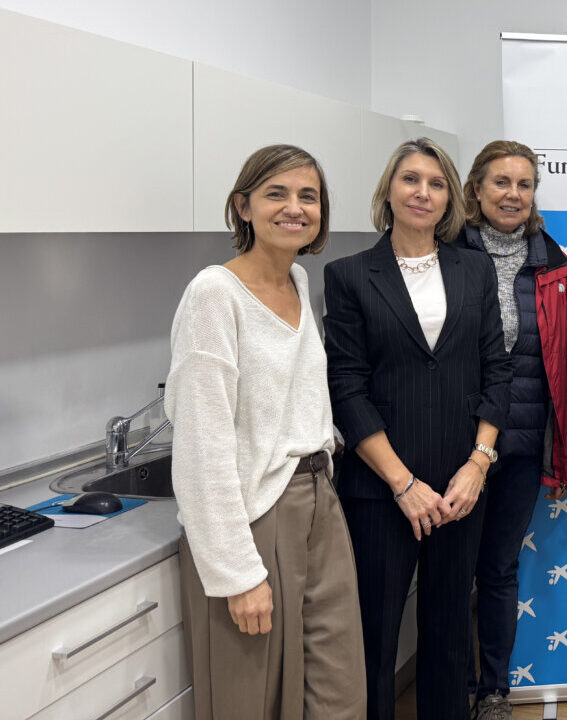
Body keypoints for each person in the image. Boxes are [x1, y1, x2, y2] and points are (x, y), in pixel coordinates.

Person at [167, 144, 365, 719]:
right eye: (276, 194)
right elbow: (202, 449)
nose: (295, 208)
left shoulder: (299, 281)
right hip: (256, 514)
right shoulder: (215, 294)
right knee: (249, 699)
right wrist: (236, 573)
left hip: (319, 499)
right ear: (243, 206)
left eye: (308, 196)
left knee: (339, 690)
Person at [324, 137, 512, 720]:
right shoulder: (349, 274)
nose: (422, 192)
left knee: (451, 633)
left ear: (451, 197)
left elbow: (496, 371)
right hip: (380, 489)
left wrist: (479, 464)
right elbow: (347, 387)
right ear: (389, 190)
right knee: (375, 637)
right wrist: (403, 484)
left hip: (461, 486)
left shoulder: (474, 269)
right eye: (410, 179)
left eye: (435, 183)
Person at [459, 140, 567, 720]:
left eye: (524, 185)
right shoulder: (444, 255)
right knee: (448, 569)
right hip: (455, 446)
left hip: (519, 444)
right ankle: (448, 683)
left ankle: (492, 691)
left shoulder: (556, 267)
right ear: (477, 190)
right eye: (501, 183)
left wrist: (565, 456)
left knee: (498, 569)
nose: (513, 194)